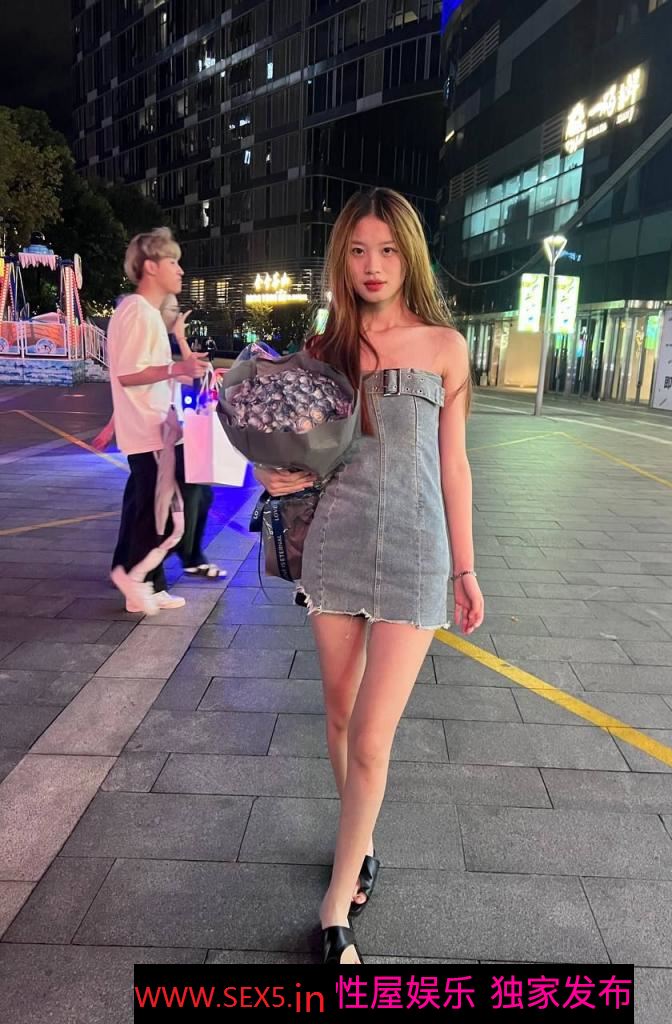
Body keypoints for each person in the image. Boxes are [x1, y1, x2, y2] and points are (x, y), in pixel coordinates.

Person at [251, 188, 485, 964]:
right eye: (357, 251)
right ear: (341, 261)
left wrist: (466, 567)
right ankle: (365, 844)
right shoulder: (325, 349)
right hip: (337, 545)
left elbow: (454, 465)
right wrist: (273, 476)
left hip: (418, 552)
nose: (373, 265)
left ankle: (335, 907)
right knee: (341, 719)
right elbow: (293, 451)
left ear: (409, 256)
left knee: (374, 738)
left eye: (387, 250)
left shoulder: (445, 346)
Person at [107, 228, 209, 615]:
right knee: (161, 512)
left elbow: (152, 373)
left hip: (152, 430)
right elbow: (128, 374)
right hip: (150, 431)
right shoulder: (138, 312)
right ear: (151, 267)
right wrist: (175, 368)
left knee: (145, 508)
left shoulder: (142, 312)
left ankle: (147, 583)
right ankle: (137, 582)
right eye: (173, 262)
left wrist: (181, 362)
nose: (180, 270)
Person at [95, 296, 229, 582]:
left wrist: (180, 341)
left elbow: (197, 377)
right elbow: (135, 385)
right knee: (170, 504)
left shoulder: (155, 347)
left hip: (159, 437)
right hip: (154, 439)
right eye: (171, 309)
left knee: (145, 504)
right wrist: (180, 341)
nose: (176, 314)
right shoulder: (144, 343)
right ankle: (153, 573)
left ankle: (134, 567)